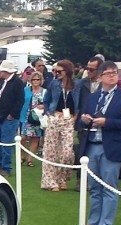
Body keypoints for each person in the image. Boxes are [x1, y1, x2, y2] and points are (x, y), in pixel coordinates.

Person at [79, 61, 121, 225]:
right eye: (108, 73)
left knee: (109, 186)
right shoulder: (93, 97)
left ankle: (106, 224)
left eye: (114, 73)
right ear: (101, 76)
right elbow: (80, 120)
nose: (112, 76)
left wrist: (108, 122)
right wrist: (85, 119)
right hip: (92, 145)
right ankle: (92, 222)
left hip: (111, 146)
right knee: (94, 187)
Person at [41, 59, 79, 191]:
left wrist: (76, 115)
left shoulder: (77, 85)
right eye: (55, 71)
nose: (56, 73)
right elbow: (46, 100)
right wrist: (48, 113)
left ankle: (62, 177)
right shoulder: (54, 84)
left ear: (67, 71)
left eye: (59, 71)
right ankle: (50, 181)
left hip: (69, 119)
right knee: (50, 151)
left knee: (67, 152)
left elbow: (80, 102)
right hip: (55, 116)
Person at [0, 60, 24, 176]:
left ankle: (6, 167)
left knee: (6, 143)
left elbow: (20, 100)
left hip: (9, 117)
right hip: (0, 115)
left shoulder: (16, 82)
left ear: (6, 71)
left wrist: (12, 115)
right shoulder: (5, 81)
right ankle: (0, 164)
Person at [20, 70, 46, 166]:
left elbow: (47, 103)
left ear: (40, 80)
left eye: (38, 79)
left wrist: (43, 106)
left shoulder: (44, 91)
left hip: (38, 117)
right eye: (34, 79)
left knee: (35, 138)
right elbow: (21, 101)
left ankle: (30, 160)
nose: (35, 81)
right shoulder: (26, 90)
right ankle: (22, 157)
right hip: (26, 116)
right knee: (23, 138)